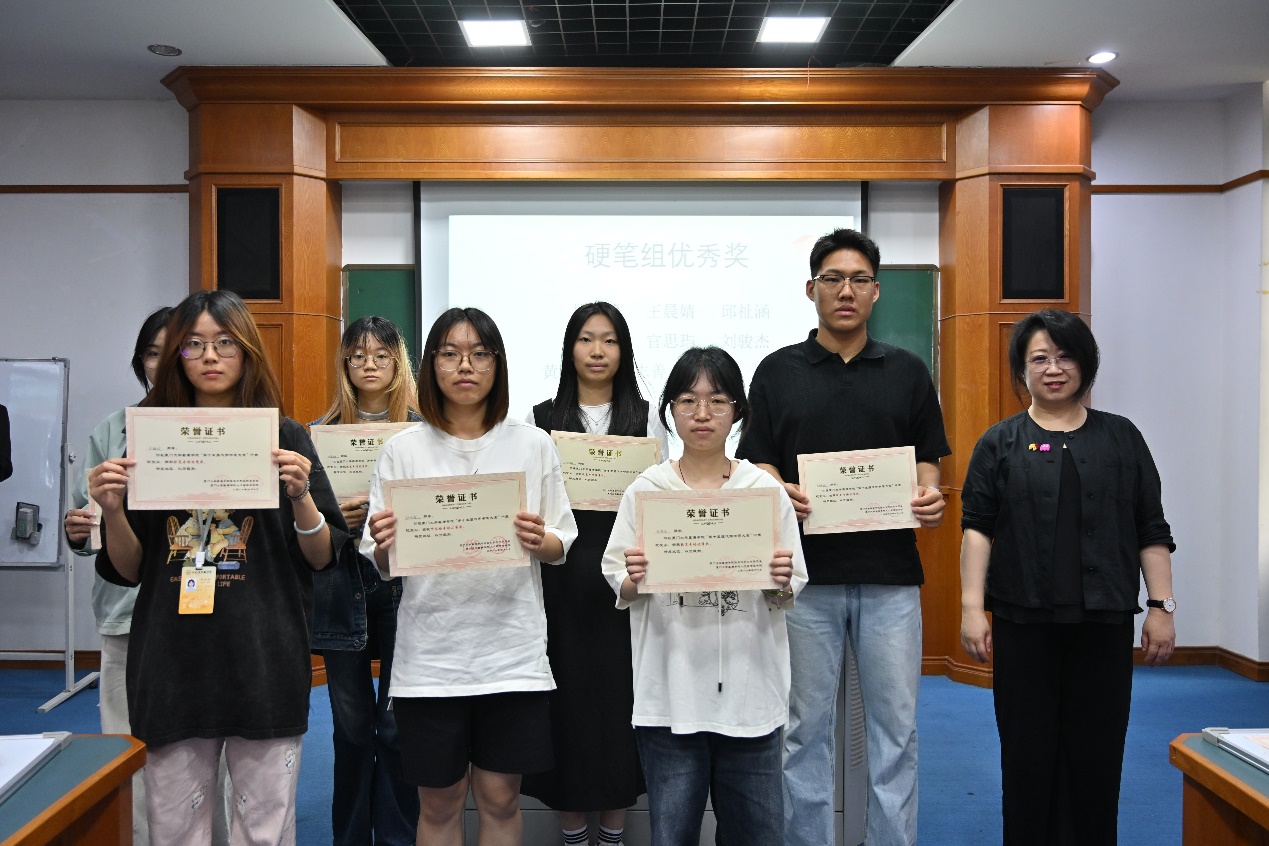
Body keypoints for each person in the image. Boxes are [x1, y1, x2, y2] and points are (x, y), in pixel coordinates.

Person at [90, 289, 347, 846]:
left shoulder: (285, 437)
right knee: (175, 828)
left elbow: (323, 555)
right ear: (176, 356)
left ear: (248, 350)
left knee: (264, 829)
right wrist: (111, 510)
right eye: (193, 344)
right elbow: (130, 570)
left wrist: (301, 496)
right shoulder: (150, 441)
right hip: (172, 661)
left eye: (225, 342)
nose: (210, 355)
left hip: (264, 656)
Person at [736, 228, 949, 846]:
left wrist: (929, 494)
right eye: (833, 279)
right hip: (805, 582)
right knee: (804, 731)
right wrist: (779, 489)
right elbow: (759, 458)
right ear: (812, 289)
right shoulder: (777, 371)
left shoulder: (908, 371)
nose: (846, 291)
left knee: (895, 732)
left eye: (858, 279)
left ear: (876, 291)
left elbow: (928, 459)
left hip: (890, 580)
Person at [361, 307, 578, 846]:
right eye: (451, 354)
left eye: (480, 354)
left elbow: (561, 543)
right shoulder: (402, 450)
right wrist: (386, 545)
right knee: (439, 804)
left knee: (501, 798)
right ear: (431, 364)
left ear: (497, 365)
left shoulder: (533, 444)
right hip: (431, 659)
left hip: (511, 655)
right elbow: (381, 563)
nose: (466, 366)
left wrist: (540, 539)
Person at [959, 308, 1176, 845]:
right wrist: (971, 608)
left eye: (1065, 356)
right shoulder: (999, 442)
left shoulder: (1122, 437)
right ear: (1022, 369)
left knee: (1097, 753)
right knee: (1026, 753)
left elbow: (1151, 527)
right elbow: (977, 529)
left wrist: (1161, 606)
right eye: (1039, 358)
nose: (1053, 368)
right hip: (1023, 622)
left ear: (1086, 364)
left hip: (1102, 623)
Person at [602, 345, 807, 846]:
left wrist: (780, 579)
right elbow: (616, 576)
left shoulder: (763, 490)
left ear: (738, 411)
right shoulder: (647, 489)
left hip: (750, 698)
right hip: (670, 699)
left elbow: (789, 588)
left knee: (757, 836)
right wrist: (636, 577)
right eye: (687, 400)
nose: (702, 413)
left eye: (717, 401)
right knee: (673, 835)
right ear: (670, 410)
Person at [521, 302, 665, 846]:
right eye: (586, 339)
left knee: (619, 704)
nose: (597, 351)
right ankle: (573, 833)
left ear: (623, 351)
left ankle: (612, 833)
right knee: (568, 705)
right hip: (559, 582)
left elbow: (662, 499)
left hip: (625, 581)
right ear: (569, 349)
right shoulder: (540, 419)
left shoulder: (647, 419)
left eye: (609, 340)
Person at [61, 306, 182, 846]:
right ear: (140, 362)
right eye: (151, 353)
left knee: (208, 749)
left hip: (204, 611)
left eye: (173, 350)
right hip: (125, 612)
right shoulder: (112, 430)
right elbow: (84, 523)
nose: (162, 363)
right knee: (127, 741)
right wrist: (78, 529)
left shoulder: (227, 430)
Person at [311, 316, 422, 846]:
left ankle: (398, 837)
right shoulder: (318, 432)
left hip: (405, 586)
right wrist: (337, 517)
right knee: (351, 726)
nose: (369, 365)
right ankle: (351, 837)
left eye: (381, 355)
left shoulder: (425, 430)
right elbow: (303, 520)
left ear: (399, 363)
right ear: (345, 364)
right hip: (342, 583)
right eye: (358, 356)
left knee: (398, 726)